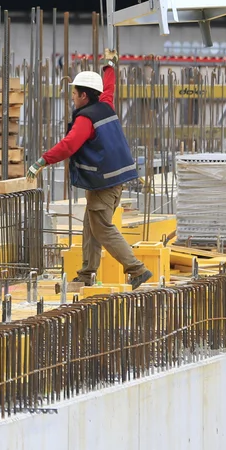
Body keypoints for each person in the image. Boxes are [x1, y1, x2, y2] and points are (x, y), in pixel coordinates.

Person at [27, 51, 153, 290]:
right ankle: (86, 273)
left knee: (102, 227)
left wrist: (42, 161)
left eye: (74, 94)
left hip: (103, 182)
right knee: (91, 226)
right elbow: (109, 87)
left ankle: (137, 269)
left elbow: (69, 145)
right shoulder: (105, 105)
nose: (72, 98)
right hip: (111, 179)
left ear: (84, 95)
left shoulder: (85, 119)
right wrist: (109, 65)